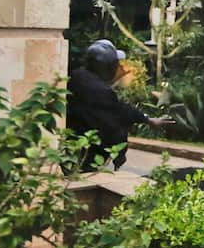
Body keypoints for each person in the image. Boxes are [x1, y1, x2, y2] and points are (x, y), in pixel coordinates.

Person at [67, 40, 171, 171]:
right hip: (89, 156)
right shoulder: (101, 92)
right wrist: (120, 153)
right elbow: (117, 116)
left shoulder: (77, 77)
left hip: (71, 149)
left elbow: (120, 107)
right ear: (107, 67)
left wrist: (147, 119)